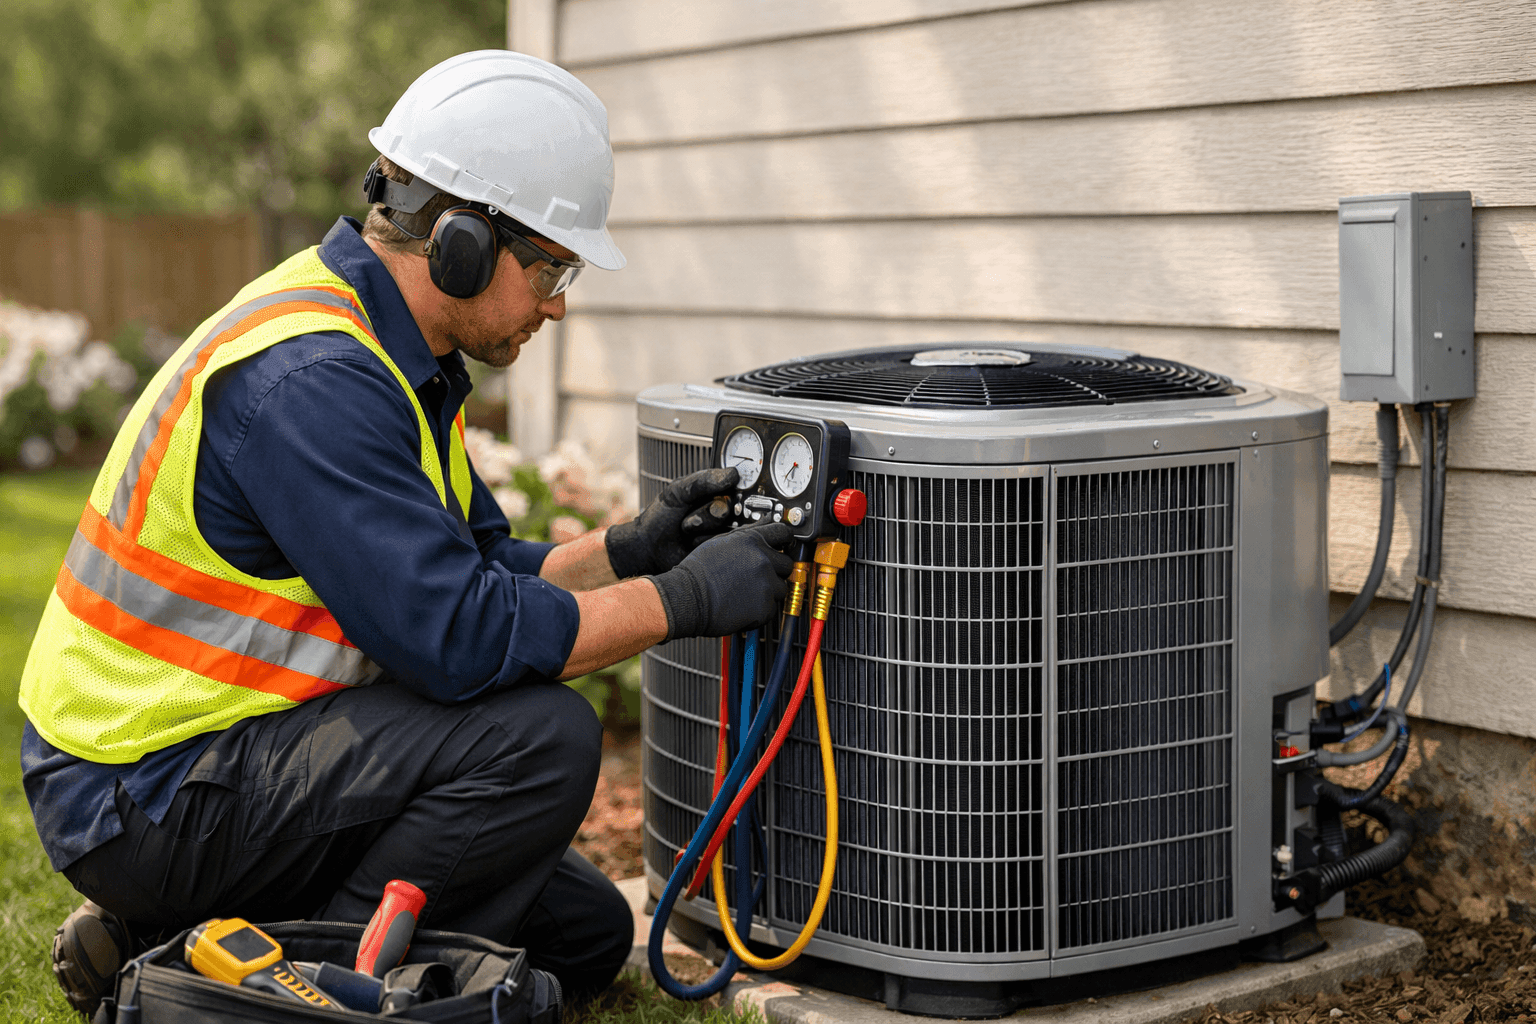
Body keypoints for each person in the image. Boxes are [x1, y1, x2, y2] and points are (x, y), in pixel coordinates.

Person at [20, 50, 792, 1017]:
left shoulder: (392, 353)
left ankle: (168, 945)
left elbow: (474, 569)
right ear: (461, 242)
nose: (557, 304)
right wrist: (683, 602)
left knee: (587, 935)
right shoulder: (314, 381)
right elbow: (458, 640)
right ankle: (318, 993)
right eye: (550, 267)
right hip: (145, 791)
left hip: (227, 760)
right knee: (539, 741)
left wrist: (628, 554)